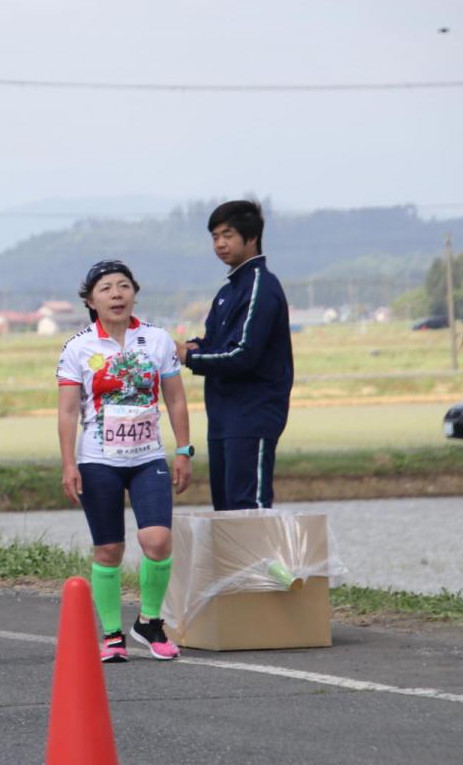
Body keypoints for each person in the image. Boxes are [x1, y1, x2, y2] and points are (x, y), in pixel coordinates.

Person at [58, 260, 192, 662]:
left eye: (123, 286)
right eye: (105, 289)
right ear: (90, 300)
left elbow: (176, 398)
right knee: (109, 550)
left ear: (134, 292)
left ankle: (150, 622)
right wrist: (69, 464)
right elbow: (67, 412)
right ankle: (113, 635)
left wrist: (183, 449)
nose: (116, 294)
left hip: (147, 456)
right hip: (98, 460)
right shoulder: (78, 347)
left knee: (157, 540)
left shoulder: (156, 339)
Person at [175, 200, 293, 511]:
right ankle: (236, 563)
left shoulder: (259, 286)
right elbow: (213, 343)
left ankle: (260, 562)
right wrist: (184, 348)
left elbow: (242, 355)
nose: (220, 244)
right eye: (214, 237)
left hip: (253, 414)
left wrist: (188, 358)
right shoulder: (228, 290)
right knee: (226, 508)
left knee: (247, 507)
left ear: (251, 237)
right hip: (224, 415)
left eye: (227, 235)